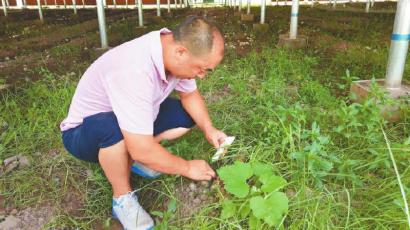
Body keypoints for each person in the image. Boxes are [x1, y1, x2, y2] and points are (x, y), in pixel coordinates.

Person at [60, 16, 227, 229]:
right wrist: (186, 167)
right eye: (202, 68)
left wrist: (209, 128)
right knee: (114, 130)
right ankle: (122, 198)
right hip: (83, 133)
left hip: (127, 117)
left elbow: (190, 96)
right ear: (181, 52)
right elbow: (141, 149)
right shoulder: (134, 69)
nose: (202, 75)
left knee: (185, 115)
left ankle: (130, 158)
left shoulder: (173, 50)